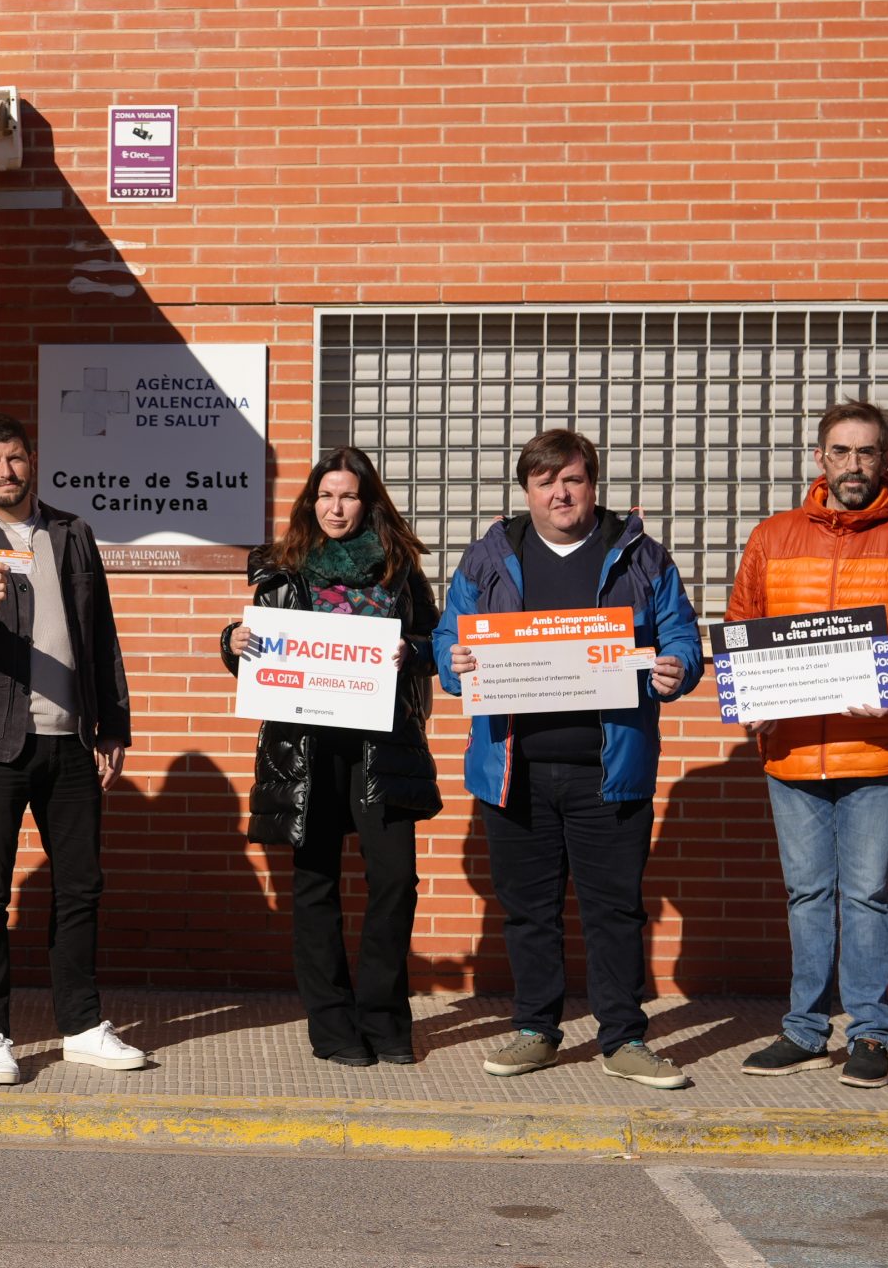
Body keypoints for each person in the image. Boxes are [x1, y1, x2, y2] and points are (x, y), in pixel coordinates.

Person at [435, 428, 702, 1089]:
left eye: (573, 479)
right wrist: (452, 661)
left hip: (609, 770)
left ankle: (623, 1038)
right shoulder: (489, 556)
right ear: (526, 490)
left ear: (593, 485)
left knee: (615, 911)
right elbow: (448, 635)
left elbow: (682, 636)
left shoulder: (640, 555)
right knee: (529, 910)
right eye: (545, 481)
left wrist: (677, 667)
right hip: (513, 769)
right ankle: (536, 1031)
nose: (560, 493)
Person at [728, 400, 888, 1089]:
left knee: (865, 895)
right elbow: (743, 628)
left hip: (874, 748)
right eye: (841, 451)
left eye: (867, 452)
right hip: (791, 752)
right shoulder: (772, 537)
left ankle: (869, 1034)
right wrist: (752, 702)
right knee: (807, 894)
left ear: (887, 459)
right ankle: (805, 1031)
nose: (853, 464)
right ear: (819, 458)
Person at [0, 412, 146, 1087]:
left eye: (15, 457)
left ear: (32, 459)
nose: (6, 471)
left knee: (80, 887)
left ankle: (80, 1026)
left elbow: (101, 634)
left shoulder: (72, 532)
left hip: (71, 738)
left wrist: (113, 725)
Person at [215, 447, 442, 1067]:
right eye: (325, 495)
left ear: (367, 503)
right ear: (310, 501)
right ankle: (332, 1024)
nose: (335, 508)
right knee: (315, 883)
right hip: (306, 748)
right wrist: (232, 642)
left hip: (382, 746)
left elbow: (435, 641)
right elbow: (255, 654)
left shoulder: (399, 567)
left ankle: (384, 1019)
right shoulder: (283, 568)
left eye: (347, 496)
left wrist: (413, 652)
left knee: (395, 881)